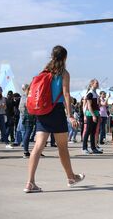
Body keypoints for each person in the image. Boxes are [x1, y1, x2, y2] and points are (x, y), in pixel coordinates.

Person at [24, 45, 85, 193]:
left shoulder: (43, 72)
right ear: (65, 57)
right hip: (56, 111)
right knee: (62, 147)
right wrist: (70, 115)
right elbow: (66, 94)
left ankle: (30, 182)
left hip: (42, 111)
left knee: (38, 146)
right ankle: (71, 177)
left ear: (51, 56)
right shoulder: (63, 73)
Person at [82, 79, 103, 154]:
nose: (97, 84)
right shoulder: (90, 93)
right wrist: (93, 115)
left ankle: (93, 147)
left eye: (98, 83)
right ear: (92, 84)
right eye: (96, 83)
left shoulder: (95, 93)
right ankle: (84, 148)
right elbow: (89, 106)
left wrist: (98, 114)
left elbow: (96, 105)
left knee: (93, 131)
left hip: (96, 113)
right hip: (90, 114)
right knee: (88, 131)